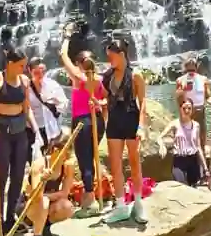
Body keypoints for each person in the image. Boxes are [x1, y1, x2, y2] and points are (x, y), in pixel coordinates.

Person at [0, 46, 40, 236]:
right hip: (1, 132)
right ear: (10, 64)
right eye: (21, 65)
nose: (24, 68)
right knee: (1, 178)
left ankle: (10, 218)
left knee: (18, 176)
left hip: (20, 132)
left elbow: (27, 108)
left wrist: (36, 130)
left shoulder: (24, 81)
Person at [103, 38, 150, 224]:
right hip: (114, 121)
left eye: (112, 56)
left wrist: (141, 126)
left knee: (134, 163)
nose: (109, 60)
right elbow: (107, 99)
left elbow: (142, 101)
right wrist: (99, 104)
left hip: (131, 120)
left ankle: (138, 203)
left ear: (122, 55)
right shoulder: (108, 76)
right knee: (115, 166)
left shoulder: (135, 75)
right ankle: (121, 205)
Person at [60, 29, 107, 215]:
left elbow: (63, 55)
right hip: (97, 122)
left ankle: (91, 201)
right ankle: (89, 200)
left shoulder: (79, 78)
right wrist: (100, 106)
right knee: (92, 158)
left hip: (82, 122)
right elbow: (105, 101)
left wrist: (66, 37)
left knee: (84, 161)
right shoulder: (99, 79)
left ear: (79, 64)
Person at [15, 138, 79, 236]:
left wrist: (47, 196)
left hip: (47, 203)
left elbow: (64, 194)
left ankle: (45, 225)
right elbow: (36, 196)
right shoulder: (39, 165)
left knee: (67, 206)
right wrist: (43, 181)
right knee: (43, 201)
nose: (68, 156)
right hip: (29, 206)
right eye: (66, 153)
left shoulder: (67, 166)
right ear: (55, 150)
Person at [175, 57, 211, 151]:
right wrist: (182, 90)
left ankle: (201, 159)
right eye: (189, 69)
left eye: (193, 69)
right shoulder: (180, 80)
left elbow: (208, 97)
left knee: (201, 136)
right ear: (185, 68)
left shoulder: (203, 79)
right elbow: (178, 100)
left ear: (196, 67)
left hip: (200, 112)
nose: (191, 72)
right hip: (186, 112)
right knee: (187, 137)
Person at [162, 98, 207, 187]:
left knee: (194, 188)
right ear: (180, 109)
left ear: (192, 110)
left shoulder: (196, 125)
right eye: (184, 108)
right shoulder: (174, 124)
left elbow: (198, 147)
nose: (186, 110)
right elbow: (160, 136)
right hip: (179, 161)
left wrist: (205, 168)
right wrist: (162, 145)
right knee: (181, 186)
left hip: (193, 160)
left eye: (189, 108)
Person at [27, 60, 67, 151]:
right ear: (30, 71)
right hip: (32, 128)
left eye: (43, 71)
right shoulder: (26, 87)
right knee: (35, 159)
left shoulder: (53, 85)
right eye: (36, 72)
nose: (40, 74)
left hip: (51, 128)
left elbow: (64, 103)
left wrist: (55, 105)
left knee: (51, 157)